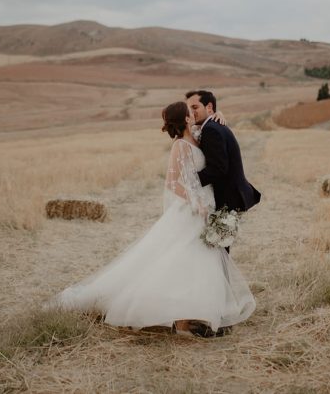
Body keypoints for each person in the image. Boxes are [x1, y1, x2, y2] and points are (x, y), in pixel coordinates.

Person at [50, 101, 255, 336]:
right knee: (181, 259)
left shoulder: (197, 136)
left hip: (206, 209)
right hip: (191, 211)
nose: (194, 113)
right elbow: (171, 183)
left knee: (199, 262)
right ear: (186, 119)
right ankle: (181, 321)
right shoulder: (179, 146)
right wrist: (195, 202)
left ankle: (196, 315)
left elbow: (211, 126)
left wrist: (218, 114)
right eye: (191, 112)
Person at [185, 90, 261, 254]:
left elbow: (218, 169)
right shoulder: (213, 125)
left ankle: (221, 280)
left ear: (209, 107)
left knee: (218, 251)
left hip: (227, 198)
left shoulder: (211, 129)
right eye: (188, 109)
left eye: (195, 107)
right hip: (228, 195)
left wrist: (189, 181)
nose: (191, 112)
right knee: (218, 250)